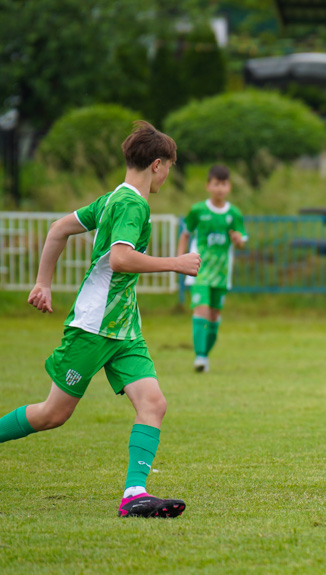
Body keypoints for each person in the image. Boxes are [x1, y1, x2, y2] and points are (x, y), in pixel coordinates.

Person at [0, 121, 201, 518]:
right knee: (52, 414)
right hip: (94, 326)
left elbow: (59, 228)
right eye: (170, 167)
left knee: (153, 404)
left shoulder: (111, 199)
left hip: (123, 329)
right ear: (158, 165)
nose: (168, 174)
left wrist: (44, 283)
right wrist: (175, 264)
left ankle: (134, 494)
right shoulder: (132, 204)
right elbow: (120, 259)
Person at [177, 165, 247, 373]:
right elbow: (185, 233)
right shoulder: (198, 210)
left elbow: (241, 240)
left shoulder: (234, 213)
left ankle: (204, 356)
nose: (220, 189)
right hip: (199, 270)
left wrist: (238, 240)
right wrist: (180, 259)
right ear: (208, 186)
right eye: (216, 184)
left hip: (222, 273)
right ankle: (199, 356)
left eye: (223, 184)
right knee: (202, 310)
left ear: (229, 187)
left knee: (214, 316)